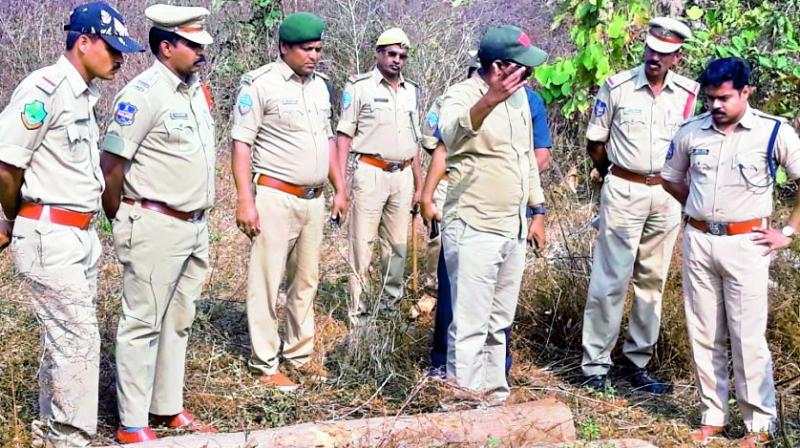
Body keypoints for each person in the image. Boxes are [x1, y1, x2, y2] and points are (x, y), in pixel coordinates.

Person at [0, 3, 141, 446]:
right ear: (83, 42)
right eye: (112, 49)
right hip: (48, 231)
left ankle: (51, 431)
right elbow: (7, 166)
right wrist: (7, 217)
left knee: (65, 341)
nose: (119, 59)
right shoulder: (44, 89)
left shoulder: (81, 94)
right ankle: (69, 439)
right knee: (79, 342)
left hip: (77, 233)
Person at [662, 57, 800, 448]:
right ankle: (713, 416)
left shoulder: (774, 132)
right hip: (700, 242)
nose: (716, 106)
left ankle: (759, 423)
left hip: (749, 244)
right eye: (710, 99)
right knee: (703, 332)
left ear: (745, 92)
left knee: (747, 337)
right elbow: (672, 178)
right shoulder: (692, 131)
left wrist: (787, 231)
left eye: (724, 98)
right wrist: (702, 213)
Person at [100, 4, 217, 442]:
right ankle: (132, 422)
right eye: (193, 45)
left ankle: (166, 407)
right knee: (142, 323)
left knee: (178, 321)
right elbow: (111, 165)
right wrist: (123, 217)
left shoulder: (193, 91)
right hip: (153, 221)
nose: (201, 52)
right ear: (167, 47)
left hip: (193, 225)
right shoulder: (143, 93)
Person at [231, 12, 348, 392]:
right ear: (284, 47)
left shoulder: (320, 87)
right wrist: (245, 200)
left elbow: (329, 140)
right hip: (274, 196)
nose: (314, 56)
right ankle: (264, 363)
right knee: (266, 283)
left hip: (312, 200)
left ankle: (298, 354)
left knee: (306, 281)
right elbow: (241, 143)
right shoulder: (260, 85)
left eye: (318, 49)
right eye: (306, 49)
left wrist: (339, 187)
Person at [580, 17, 699, 393]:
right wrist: (613, 179)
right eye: (650, 49)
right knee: (609, 280)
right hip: (623, 188)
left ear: (677, 57)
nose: (655, 57)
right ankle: (596, 366)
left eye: (664, 53)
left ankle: (637, 363)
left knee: (653, 281)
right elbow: (595, 143)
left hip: (666, 195)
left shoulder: (690, 95)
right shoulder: (617, 87)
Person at [422, 51, 553, 378]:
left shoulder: (521, 98)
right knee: (469, 325)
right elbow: (449, 135)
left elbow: (526, 158)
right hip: (474, 225)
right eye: (523, 65)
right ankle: (466, 403)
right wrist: (490, 100)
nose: (529, 71)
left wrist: (538, 209)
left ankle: (493, 395)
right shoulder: (461, 94)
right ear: (498, 66)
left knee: (498, 323)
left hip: (513, 227)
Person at [336, 28, 423, 326]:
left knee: (396, 248)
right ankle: (358, 316)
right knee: (362, 245)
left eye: (402, 56)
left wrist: (420, 188)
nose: (397, 60)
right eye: (392, 54)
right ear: (378, 53)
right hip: (370, 173)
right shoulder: (359, 87)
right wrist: (340, 187)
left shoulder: (411, 91)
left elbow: (415, 144)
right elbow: (343, 137)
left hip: (403, 176)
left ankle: (389, 314)